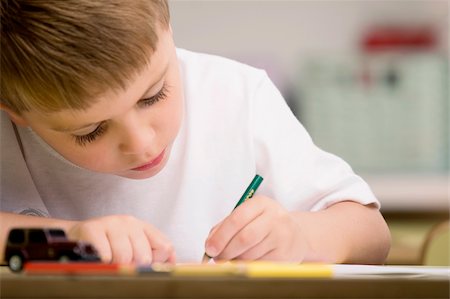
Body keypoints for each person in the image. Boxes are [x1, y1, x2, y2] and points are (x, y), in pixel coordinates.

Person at [0, 0, 390, 265]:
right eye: (91, 131)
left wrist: (300, 239)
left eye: (154, 96)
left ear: (166, 27)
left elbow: (371, 233)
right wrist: (59, 241)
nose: (144, 143)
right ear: (14, 111)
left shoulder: (237, 95)